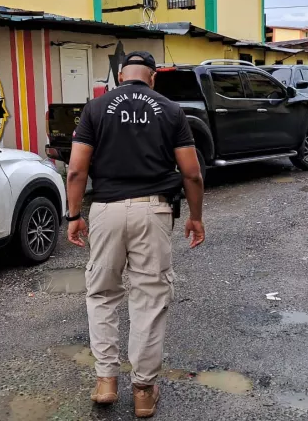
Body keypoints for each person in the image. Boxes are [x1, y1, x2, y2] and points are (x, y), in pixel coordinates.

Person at [65, 51, 205, 418]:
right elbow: (191, 173)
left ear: (120, 75)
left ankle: (106, 380)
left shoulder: (95, 109)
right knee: (150, 298)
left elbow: (77, 171)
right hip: (153, 210)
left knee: (102, 293)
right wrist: (196, 217)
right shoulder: (171, 111)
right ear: (152, 78)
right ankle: (143, 390)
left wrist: (74, 215)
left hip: (106, 210)